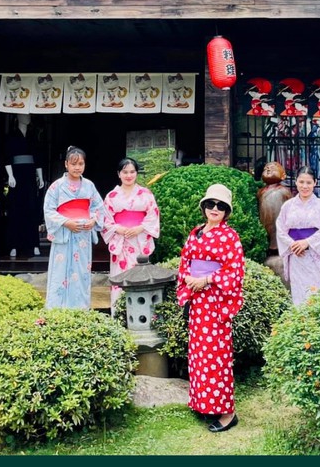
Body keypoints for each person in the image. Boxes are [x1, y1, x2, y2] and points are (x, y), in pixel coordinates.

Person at [176, 184, 245, 433]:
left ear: (226, 211)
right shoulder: (196, 232)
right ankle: (205, 404)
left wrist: (206, 279)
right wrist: (188, 281)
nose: (214, 209)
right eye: (210, 204)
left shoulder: (230, 236)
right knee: (199, 355)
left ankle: (228, 413)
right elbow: (185, 262)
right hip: (197, 301)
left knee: (217, 356)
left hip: (216, 302)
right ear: (204, 207)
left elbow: (235, 270)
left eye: (220, 206)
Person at [43, 146, 105, 309]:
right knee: (60, 270)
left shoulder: (89, 185)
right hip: (64, 232)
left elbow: (98, 207)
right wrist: (66, 222)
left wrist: (93, 220)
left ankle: (80, 309)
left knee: (82, 271)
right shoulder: (57, 186)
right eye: (73, 164)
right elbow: (48, 210)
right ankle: (57, 309)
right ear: (66, 164)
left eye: (81, 164)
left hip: (83, 234)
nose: (77, 167)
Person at [102, 158, 161, 314]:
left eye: (132, 172)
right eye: (125, 172)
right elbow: (105, 220)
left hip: (139, 239)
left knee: (140, 276)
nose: (129, 175)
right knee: (119, 278)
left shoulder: (146, 194)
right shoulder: (112, 196)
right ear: (119, 174)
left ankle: (142, 314)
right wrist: (118, 228)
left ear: (136, 173)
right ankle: (119, 315)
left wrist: (140, 227)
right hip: (120, 241)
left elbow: (153, 215)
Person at [275, 165, 320, 306]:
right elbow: (280, 229)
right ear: (296, 182)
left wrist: (307, 242)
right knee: (299, 297)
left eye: (308, 182)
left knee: (318, 297)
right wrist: (292, 244)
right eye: (301, 182)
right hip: (296, 256)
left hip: (316, 258)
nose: (304, 186)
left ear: (315, 183)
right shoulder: (288, 206)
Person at [4, 113, 44, 258]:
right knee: (15, 209)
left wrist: (40, 177)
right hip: (17, 175)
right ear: (17, 117)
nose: (26, 118)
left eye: (28, 116)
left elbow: (38, 158)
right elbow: (7, 157)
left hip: (30, 175)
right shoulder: (11, 136)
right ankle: (14, 245)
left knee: (31, 208)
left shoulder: (33, 136)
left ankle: (34, 244)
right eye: (23, 116)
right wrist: (10, 175)